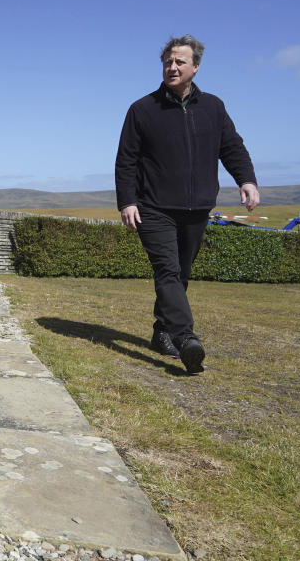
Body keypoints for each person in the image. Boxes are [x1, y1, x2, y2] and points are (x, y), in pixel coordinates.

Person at [115, 35, 259, 374]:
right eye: (168, 61)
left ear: (196, 66)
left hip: (197, 209)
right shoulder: (142, 109)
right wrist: (127, 201)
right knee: (167, 270)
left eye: (180, 61)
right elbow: (127, 161)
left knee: (181, 275)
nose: (172, 67)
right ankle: (186, 340)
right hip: (153, 207)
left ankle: (162, 330)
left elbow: (232, 148)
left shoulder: (213, 107)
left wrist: (247, 180)